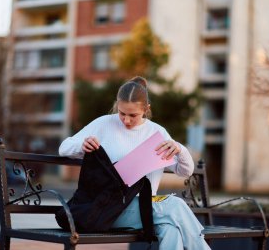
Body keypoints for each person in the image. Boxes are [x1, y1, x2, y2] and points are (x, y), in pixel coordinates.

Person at [59, 76, 211, 250]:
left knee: (171, 230)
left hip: (147, 209)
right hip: (110, 209)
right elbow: (64, 147)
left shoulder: (156, 132)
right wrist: (82, 144)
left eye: (133, 115)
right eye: (122, 113)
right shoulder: (104, 124)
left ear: (146, 109)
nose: (126, 120)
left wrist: (179, 149)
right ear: (117, 104)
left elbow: (185, 172)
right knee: (175, 205)